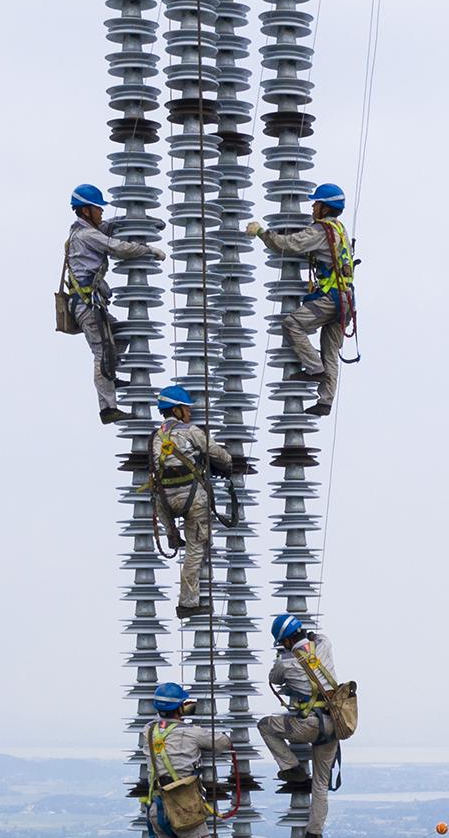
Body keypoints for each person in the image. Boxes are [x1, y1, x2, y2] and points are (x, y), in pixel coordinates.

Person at [245, 183, 353, 416]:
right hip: (346, 301)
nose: (313, 207)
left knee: (292, 324)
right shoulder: (340, 229)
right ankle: (325, 402)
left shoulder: (320, 231)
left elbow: (289, 244)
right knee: (331, 351)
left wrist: (263, 234)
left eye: (316, 203)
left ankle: (314, 369)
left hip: (330, 299)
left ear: (326, 208)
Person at [61, 184, 160, 424]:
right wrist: (148, 249)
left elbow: (106, 228)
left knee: (122, 335)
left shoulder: (85, 231)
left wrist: (143, 223)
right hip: (87, 306)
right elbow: (117, 248)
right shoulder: (86, 235)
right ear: (86, 211)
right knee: (101, 353)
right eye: (97, 208)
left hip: (92, 305)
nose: (101, 213)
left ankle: (109, 376)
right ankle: (108, 408)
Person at [140, 682, 225, 838]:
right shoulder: (192, 733)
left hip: (157, 807)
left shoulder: (147, 731)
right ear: (180, 708)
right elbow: (222, 743)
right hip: (184, 808)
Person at [258, 614, 344, 838]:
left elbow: (273, 679)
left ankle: (291, 767)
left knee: (265, 726)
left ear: (284, 641)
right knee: (321, 782)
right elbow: (320, 637)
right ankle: (314, 832)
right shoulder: (324, 645)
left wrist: (284, 656)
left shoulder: (286, 662)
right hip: (334, 723)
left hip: (308, 726)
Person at [149, 384, 235, 620]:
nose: (189, 413)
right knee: (195, 549)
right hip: (192, 498)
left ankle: (171, 534)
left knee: (159, 501)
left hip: (165, 501)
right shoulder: (191, 432)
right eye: (186, 409)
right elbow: (217, 453)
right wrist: (229, 463)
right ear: (176, 410)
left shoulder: (156, 437)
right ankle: (188, 603)